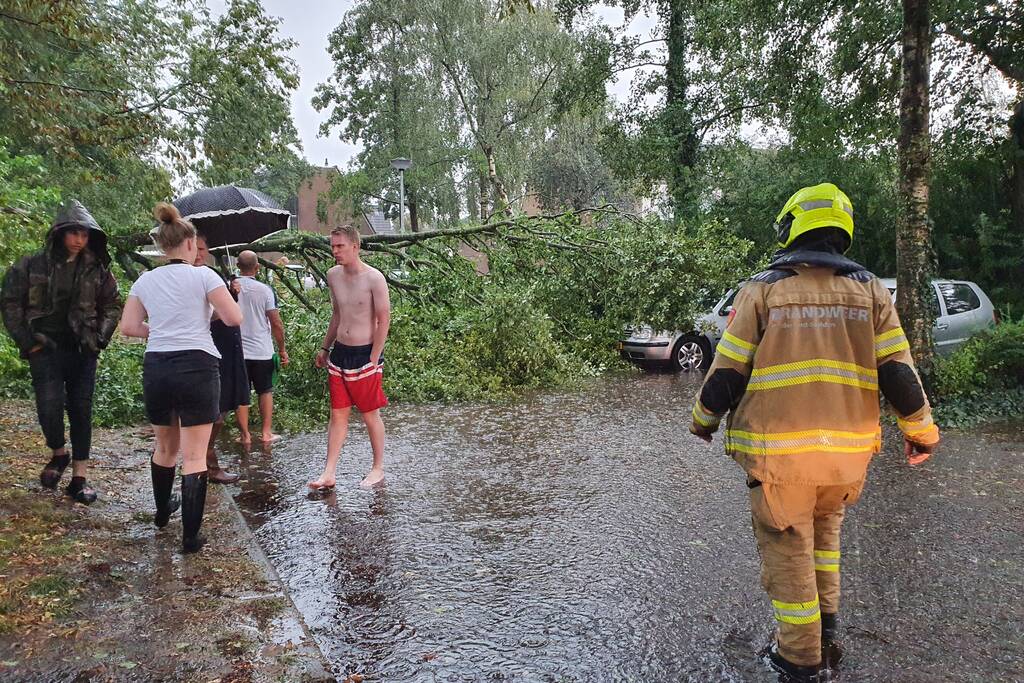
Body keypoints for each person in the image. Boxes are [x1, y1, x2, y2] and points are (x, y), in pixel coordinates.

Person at [689, 183, 940, 683]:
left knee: (789, 556)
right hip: (844, 461)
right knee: (825, 542)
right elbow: (898, 371)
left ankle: (798, 660)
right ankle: (827, 635)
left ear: (792, 226)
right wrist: (922, 432)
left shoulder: (764, 290)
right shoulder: (871, 291)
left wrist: (703, 420)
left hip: (781, 462)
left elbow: (728, 371)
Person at [119, 203, 242, 553]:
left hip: (158, 365)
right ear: (190, 243)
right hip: (198, 367)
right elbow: (233, 318)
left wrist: (162, 329)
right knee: (195, 456)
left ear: (162, 246)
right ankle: (190, 538)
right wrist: (212, 310)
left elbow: (128, 327)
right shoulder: (205, 277)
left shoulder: (145, 280)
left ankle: (162, 512)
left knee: (165, 448)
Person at [1, 200, 122, 504]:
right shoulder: (31, 264)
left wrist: (100, 338)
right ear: (60, 233)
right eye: (74, 233)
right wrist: (28, 342)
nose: (79, 240)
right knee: (49, 407)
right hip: (45, 347)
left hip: (83, 348)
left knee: (81, 409)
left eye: (84, 234)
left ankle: (79, 478)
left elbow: (112, 305)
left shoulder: (98, 269)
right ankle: (59, 453)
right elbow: (10, 301)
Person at [309, 224, 390, 490]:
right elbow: (337, 314)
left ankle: (377, 468)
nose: (335, 251)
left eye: (340, 246)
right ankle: (329, 472)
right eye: (332, 246)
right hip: (340, 354)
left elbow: (384, 320)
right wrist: (325, 348)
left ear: (355, 246)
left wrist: (374, 358)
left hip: (364, 355)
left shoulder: (374, 278)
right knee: (338, 414)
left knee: (369, 414)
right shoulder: (333, 275)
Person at [193, 234, 245, 484]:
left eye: (202, 249)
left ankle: (206, 459)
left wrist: (232, 294)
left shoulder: (212, 274)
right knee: (213, 408)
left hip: (228, 347)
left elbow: (226, 310)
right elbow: (210, 314)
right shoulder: (191, 278)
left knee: (223, 406)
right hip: (209, 349)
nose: (198, 254)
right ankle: (206, 462)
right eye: (194, 248)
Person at [234, 250, 289, 444]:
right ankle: (266, 433)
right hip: (262, 351)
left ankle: (245, 436)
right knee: (265, 391)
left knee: (241, 394)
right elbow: (276, 322)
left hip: (238, 352)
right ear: (257, 267)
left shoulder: (229, 288)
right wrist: (282, 349)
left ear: (237, 266)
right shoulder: (265, 290)